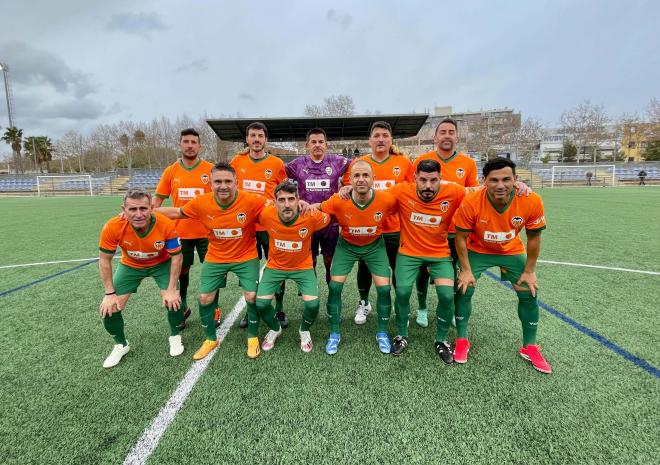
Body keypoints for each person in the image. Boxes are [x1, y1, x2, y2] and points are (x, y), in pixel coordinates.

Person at [156, 162, 271, 360]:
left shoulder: (252, 200)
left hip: (246, 256)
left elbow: (276, 207)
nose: (223, 185)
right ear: (210, 183)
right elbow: (177, 213)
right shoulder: (201, 202)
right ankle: (210, 338)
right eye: (218, 181)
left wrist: (300, 206)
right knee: (204, 298)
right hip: (216, 256)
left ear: (236, 182)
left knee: (251, 296)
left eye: (228, 181)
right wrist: (146, 212)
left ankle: (252, 336)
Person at [454, 157, 551, 373]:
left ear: (515, 180)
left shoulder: (531, 199)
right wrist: (467, 270)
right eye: (494, 180)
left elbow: (534, 238)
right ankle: (461, 339)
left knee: (529, 291)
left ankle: (530, 346)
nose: (500, 185)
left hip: (511, 250)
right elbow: (460, 238)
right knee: (463, 287)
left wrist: (530, 271)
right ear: (484, 181)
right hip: (478, 249)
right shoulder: (471, 202)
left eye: (506, 179)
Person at [310, 160, 398, 355]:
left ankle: (382, 333)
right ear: (349, 179)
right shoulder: (339, 199)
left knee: (384, 289)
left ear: (374, 179)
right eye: (356, 176)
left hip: (375, 246)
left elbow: (405, 209)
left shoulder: (387, 200)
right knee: (334, 287)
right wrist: (303, 205)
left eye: (365, 175)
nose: (361, 179)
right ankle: (334, 332)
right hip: (347, 246)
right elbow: (319, 208)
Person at [387, 160, 466, 363]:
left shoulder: (454, 191)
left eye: (433, 180)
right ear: (415, 179)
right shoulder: (401, 191)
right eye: (423, 180)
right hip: (408, 252)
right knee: (402, 291)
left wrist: (518, 186)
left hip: (439, 254)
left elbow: (480, 192)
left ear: (441, 178)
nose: (428, 186)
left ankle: (441, 339)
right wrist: (350, 189)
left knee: (447, 295)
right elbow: (372, 196)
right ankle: (402, 334)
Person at [98, 188, 183, 368]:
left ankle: (175, 335)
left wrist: (172, 289)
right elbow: (104, 260)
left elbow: (177, 257)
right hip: (131, 265)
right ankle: (121, 344)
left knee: (173, 299)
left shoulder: (166, 224)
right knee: (110, 308)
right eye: (132, 209)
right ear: (124, 209)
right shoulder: (112, 226)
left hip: (162, 264)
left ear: (151, 208)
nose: (138, 214)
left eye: (143, 209)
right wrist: (109, 293)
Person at [409, 118, 480, 328]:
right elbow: (409, 190)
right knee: (422, 271)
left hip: (456, 231)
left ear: (457, 137)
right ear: (435, 137)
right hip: (426, 230)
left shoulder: (467, 163)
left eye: (451, 132)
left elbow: (473, 194)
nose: (447, 135)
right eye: (443, 132)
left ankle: (448, 309)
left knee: (455, 273)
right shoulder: (422, 160)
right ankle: (422, 308)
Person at [342, 121, 412, 325]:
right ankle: (363, 303)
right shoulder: (359, 163)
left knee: (398, 269)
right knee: (364, 268)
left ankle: (401, 307)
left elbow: (412, 193)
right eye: (377, 136)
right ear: (370, 140)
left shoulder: (404, 162)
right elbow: (348, 189)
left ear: (391, 140)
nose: (381, 139)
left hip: (395, 228)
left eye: (385, 135)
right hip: (368, 228)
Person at [250, 180, 331, 358]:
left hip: (302, 267)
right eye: (282, 200)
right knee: (261, 304)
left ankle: (304, 330)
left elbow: (331, 215)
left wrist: (314, 206)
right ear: (274, 201)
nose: (287, 204)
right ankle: (275, 329)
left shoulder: (310, 215)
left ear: (298, 200)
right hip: (275, 267)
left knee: (313, 304)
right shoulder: (266, 214)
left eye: (291, 199)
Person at [153, 128, 218, 330]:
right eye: (186, 141)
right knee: (181, 271)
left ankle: (214, 309)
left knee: (213, 272)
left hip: (208, 232)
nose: (190, 145)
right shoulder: (171, 171)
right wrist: (146, 215)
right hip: (180, 232)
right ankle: (182, 308)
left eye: (193, 142)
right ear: (180, 145)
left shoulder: (211, 169)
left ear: (200, 146)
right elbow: (157, 201)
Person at [230, 122, 288, 329]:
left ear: (265, 139)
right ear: (247, 139)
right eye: (252, 135)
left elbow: (283, 191)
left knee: (278, 267)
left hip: (270, 226)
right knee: (249, 272)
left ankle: (279, 309)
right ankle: (250, 309)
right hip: (245, 227)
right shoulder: (237, 161)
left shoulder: (276, 163)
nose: (256, 139)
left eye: (260, 136)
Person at [285, 128, 349, 284]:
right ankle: (310, 287)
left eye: (321, 142)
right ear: (307, 145)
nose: (317, 145)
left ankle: (331, 284)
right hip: (307, 220)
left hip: (330, 221)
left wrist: (348, 184)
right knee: (309, 259)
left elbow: (359, 165)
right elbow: (276, 172)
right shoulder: (297, 164)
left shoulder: (337, 161)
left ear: (326, 145)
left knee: (330, 259)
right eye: (313, 142)